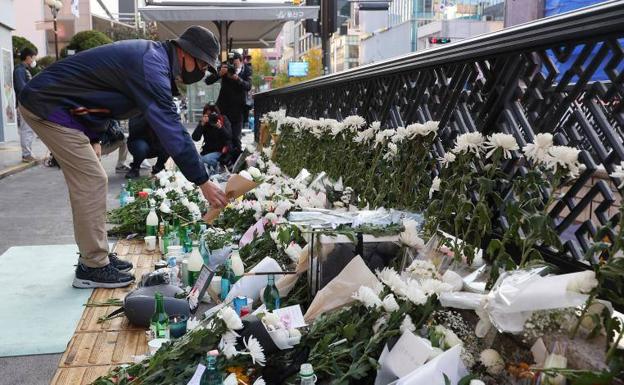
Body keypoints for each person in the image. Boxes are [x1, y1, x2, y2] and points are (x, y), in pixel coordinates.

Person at [18, 25, 228, 289]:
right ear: (186, 53)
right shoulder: (151, 65)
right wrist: (202, 180)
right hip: (48, 105)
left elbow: (100, 96)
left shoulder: (154, 60)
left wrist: (94, 137)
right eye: (202, 65)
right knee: (92, 180)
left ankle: (96, 257)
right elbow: (172, 128)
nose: (202, 72)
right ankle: (93, 266)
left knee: (90, 180)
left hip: (60, 107)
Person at [204, 51, 252, 157]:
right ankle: (222, 160)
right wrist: (219, 74)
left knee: (236, 138)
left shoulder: (246, 70)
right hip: (223, 109)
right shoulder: (224, 68)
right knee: (222, 135)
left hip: (237, 110)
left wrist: (238, 79)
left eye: (234, 63)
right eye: (231, 63)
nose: (232, 66)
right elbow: (208, 81)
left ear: (240, 61)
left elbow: (248, 86)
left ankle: (236, 161)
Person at [13, 47, 38, 162]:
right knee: (26, 129)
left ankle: (28, 153)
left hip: (28, 104)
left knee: (29, 129)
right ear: (28, 57)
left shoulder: (24, 69)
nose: (34, 60)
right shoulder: (19, 70)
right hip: (24, 104)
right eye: (33, 57)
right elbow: (21, 87)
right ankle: (26, 154)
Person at [192, 103, 232, 174]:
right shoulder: (204, 123)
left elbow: (229, 137)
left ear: (217, 114)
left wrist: (220, 127)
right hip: (206, 152)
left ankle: (218, 168)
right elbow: (195, 138)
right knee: (195, 161)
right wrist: (201, 124)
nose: (211, 118)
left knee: (204, 160)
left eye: (213, 115)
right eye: (208, 115)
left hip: (220, 152)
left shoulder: (223, 119)